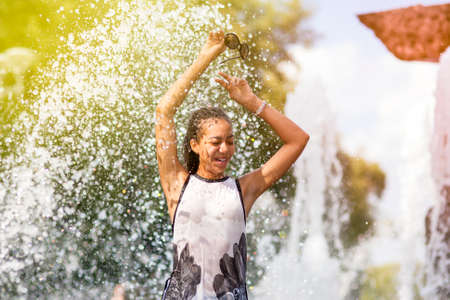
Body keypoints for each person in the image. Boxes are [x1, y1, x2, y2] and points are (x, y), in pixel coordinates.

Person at [154, 30, 309, 300]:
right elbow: (164, 111)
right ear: (195, 145)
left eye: (230, 141)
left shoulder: (243, 189)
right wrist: (204, 59)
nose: (224, 149)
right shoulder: (177, 183)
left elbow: (297, 140)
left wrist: (253, 102)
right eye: (215, 142)